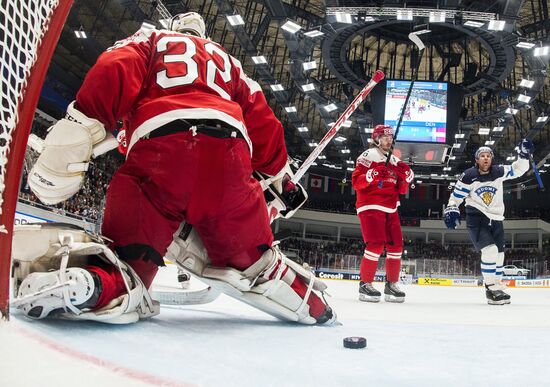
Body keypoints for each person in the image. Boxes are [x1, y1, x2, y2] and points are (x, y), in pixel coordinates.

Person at [19, 12, 335, 325]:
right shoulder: (228, 63)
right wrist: (278, 177)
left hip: (160, 154)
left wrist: (83, 122)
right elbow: (264, 121)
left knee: (129, 264)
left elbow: (114, 67)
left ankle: (91, 284)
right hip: (229, 158)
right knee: (252, 262)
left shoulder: (152, 40)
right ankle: (315, 306)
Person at [443, 140, 534, 305]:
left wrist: (523, 155)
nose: (485, 158)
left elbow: (519, 169)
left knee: (499, 256)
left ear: (491, 159)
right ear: (476, 160)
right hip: (477, 218)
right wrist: (451, 207)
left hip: (497, 219)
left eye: (488, 156)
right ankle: (491, 288)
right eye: (482, 156)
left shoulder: (499, 171)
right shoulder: (469, 176)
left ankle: (496, 286)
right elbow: (456, 197)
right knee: (490, 251)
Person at [351, 124, 414, 303]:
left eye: (390, 137)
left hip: (391, 207)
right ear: (377, 138)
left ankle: (391, 284)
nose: (388, 140)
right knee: (376, 244)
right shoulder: (368, 155)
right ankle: (365, 283)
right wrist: (372, 175)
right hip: (370, 205)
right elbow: (356, 181)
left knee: (396, 247)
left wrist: (406, 178)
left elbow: (401, 190)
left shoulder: (394, 160)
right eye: (385, 137)